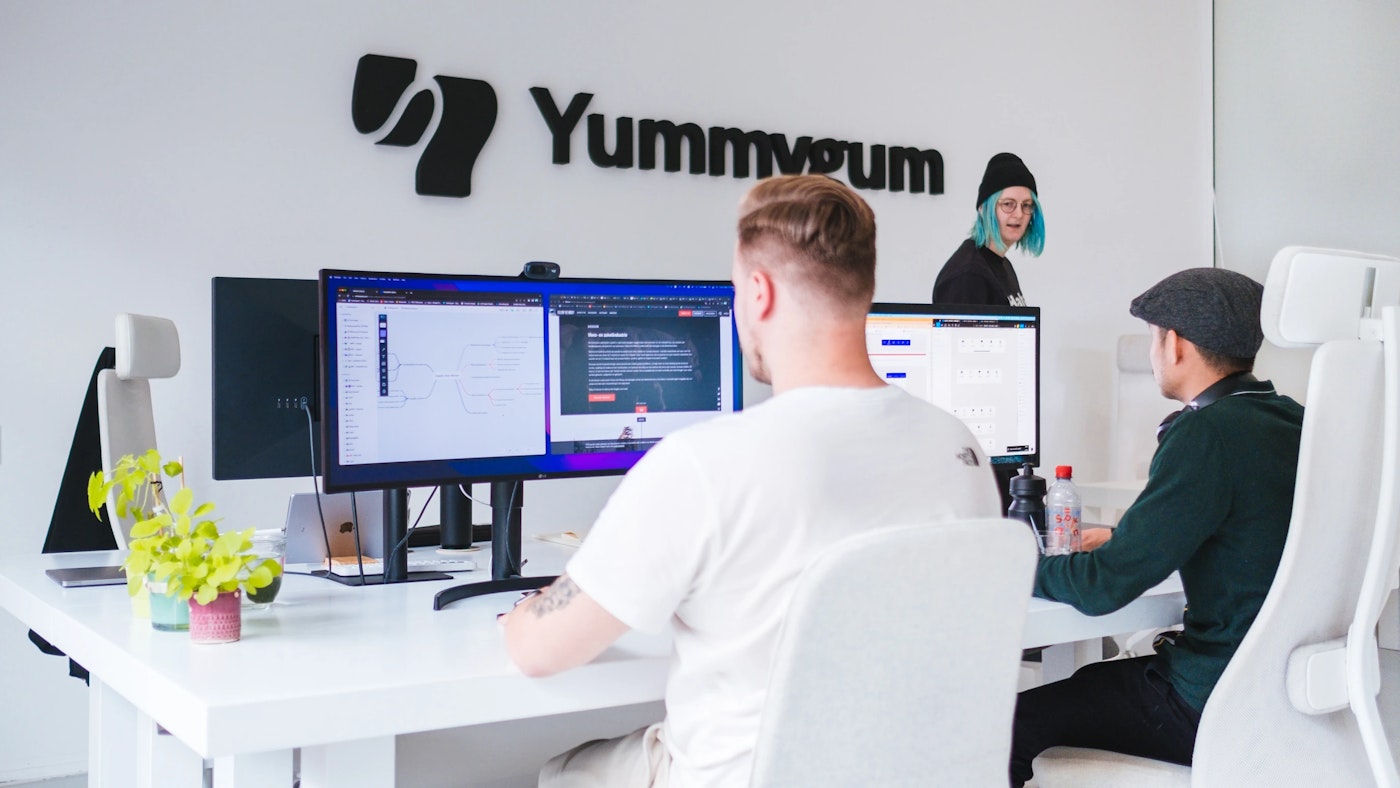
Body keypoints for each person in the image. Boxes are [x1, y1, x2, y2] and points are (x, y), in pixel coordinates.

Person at [501, 174, 1003, 787]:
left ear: (758, 292)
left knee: (560, 772)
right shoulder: (961, 449)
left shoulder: (702, 464)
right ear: (864, 289)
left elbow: (540, 650)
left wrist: (527, 613)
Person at [1008, 268, 1305, 787]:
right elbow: (1247, 529)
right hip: (1286, 695)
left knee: (1003, 726)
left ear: (1175, 345)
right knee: (1088, 685)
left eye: (1152, 338)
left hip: (1210, 700)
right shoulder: (1291, 419)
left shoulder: (1207, 434)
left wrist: (1017, 565)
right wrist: (1126, 541)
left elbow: (1103, 587)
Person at [931, 152, 1045, 307]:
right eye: (1008, 204)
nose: (1019, 214)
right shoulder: (968, 276)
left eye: (1026, 205)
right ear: (983, 209)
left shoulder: (1002, 265)